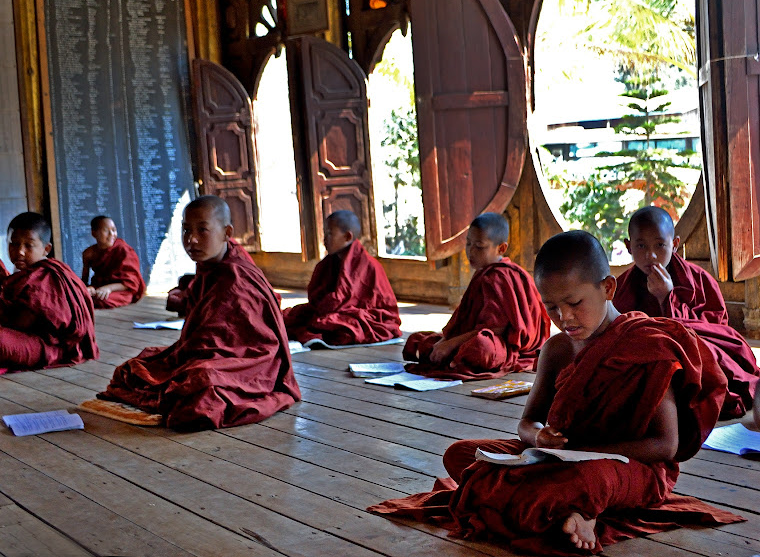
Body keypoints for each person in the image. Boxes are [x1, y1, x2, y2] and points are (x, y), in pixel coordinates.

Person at [368, 231, 742, 555]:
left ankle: (575, 507)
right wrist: (540, 438)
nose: (564, 317)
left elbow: (665, 446)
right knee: (461, 455)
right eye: (551, 307)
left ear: (608, 288)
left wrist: (584, 456)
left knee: (587, 482)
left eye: (575, 303)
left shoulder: (644, 345)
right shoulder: (558, 349)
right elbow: (526, 423)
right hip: (557, 457)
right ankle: (570, 511)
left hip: (626, 466)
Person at [96, 195, 301, 430]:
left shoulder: (236, 277)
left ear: (227, 233)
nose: (191, 240)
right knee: (131, 371)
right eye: (186, 231)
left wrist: (193, 357)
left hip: (252, 361)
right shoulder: (210, 263)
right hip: (204, 352)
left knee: (200, 389)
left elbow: (236, 341)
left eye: (202, 230)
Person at [613, 206, 760, 419]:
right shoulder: (621, 286)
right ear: (628, 246)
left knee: (713, 359)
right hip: (647, 357)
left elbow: (717, 331)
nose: (650, 255)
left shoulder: (700, 279)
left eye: (660, 245)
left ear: (674, 245)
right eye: (641, 245)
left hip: (688, 354)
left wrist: (667, 298)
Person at [403, 213, 550, 380]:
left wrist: (450, 344)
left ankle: (455, 356)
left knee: (481, 348)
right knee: (418, 340)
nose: (470, 251)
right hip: (472, 337)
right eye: (468, 244)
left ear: (501, 248)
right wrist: (445, 341)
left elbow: (496, 329)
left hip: (504, 345)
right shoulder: (483, 274)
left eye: (479, 246)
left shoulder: (500, 277)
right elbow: (463, 323)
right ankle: (456, 357)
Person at [0, 212, 98, 376]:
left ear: (46, 249)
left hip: (52, 348)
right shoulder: (28, 274)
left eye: (29, 245)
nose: (20, 252)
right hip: (33, 339)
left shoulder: (43, 278)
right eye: (14, 244)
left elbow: (12, 326)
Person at [282, 210, 401, 346]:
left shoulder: (366, 264)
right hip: (332, 311)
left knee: (341, 328)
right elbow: (317, 297)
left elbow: (347, 300)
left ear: (347, 237)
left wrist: (325, 311)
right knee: (289, 317)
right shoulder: (330, 262)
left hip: (369, 316)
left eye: (330, 233)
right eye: (325, 233)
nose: (324, 238)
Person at [81, 216, 145, 309]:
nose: (112, 234)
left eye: (114, 230)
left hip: (121, 290)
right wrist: (89, 289)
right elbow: (84, 281)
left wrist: (108, 288)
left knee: (100, 299)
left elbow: (130, 283)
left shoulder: (123, 250)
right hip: (99, 288)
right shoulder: (89, 253)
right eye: (106, 230)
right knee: (82, 295)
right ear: (94, 233)